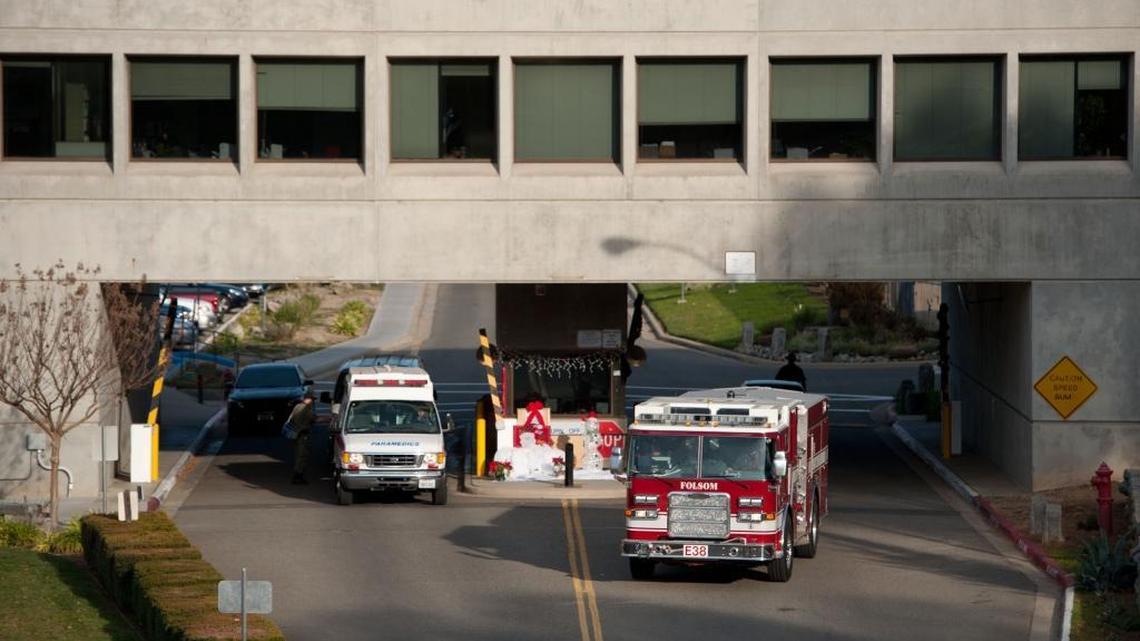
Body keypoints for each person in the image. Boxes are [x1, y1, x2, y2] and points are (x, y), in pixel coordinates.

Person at [287, 389, 316, 484]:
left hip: (296, 434)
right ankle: (298, 476)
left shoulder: (297, 406)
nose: (313, 402)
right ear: (309, 399)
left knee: (298, 455)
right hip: (302, 434)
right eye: (312, 399)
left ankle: (298, 475)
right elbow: (313, 419)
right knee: (302, 456)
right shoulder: (306, 408)